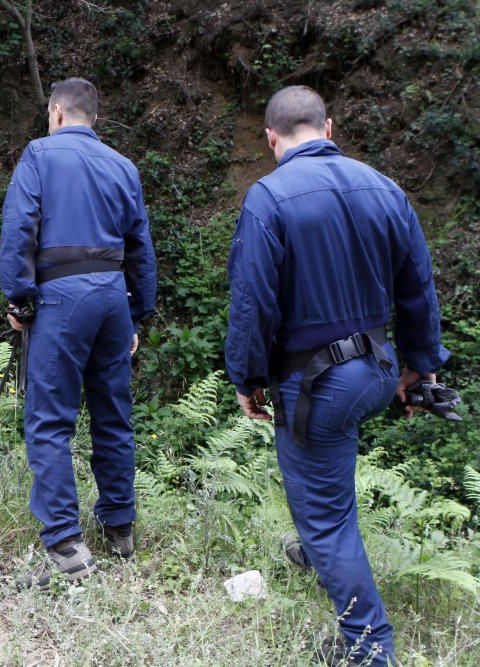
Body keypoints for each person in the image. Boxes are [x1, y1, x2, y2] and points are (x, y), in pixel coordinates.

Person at [226, 85, 450, 665]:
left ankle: (369, 649)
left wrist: (247, 377)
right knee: (327, 488)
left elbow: (253, 304)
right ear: (329, 129)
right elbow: (418, 288)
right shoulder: (385, 187)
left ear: (272, 138)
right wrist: (419, 366)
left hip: (316, 383)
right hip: (374, 370)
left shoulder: (268, 198)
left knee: (326, 515)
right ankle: (314, 551)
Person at [0, 77, 157, 588]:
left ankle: (66, 543)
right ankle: (120, 527)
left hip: (62, 296)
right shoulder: (123, 166)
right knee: (113, 414)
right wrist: (137, 314)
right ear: (94, 117)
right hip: (113, 296)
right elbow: (140, 248)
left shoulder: (40, 155)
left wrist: (20, 297)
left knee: (49, 420)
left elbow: (20, 226)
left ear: (57, 112)